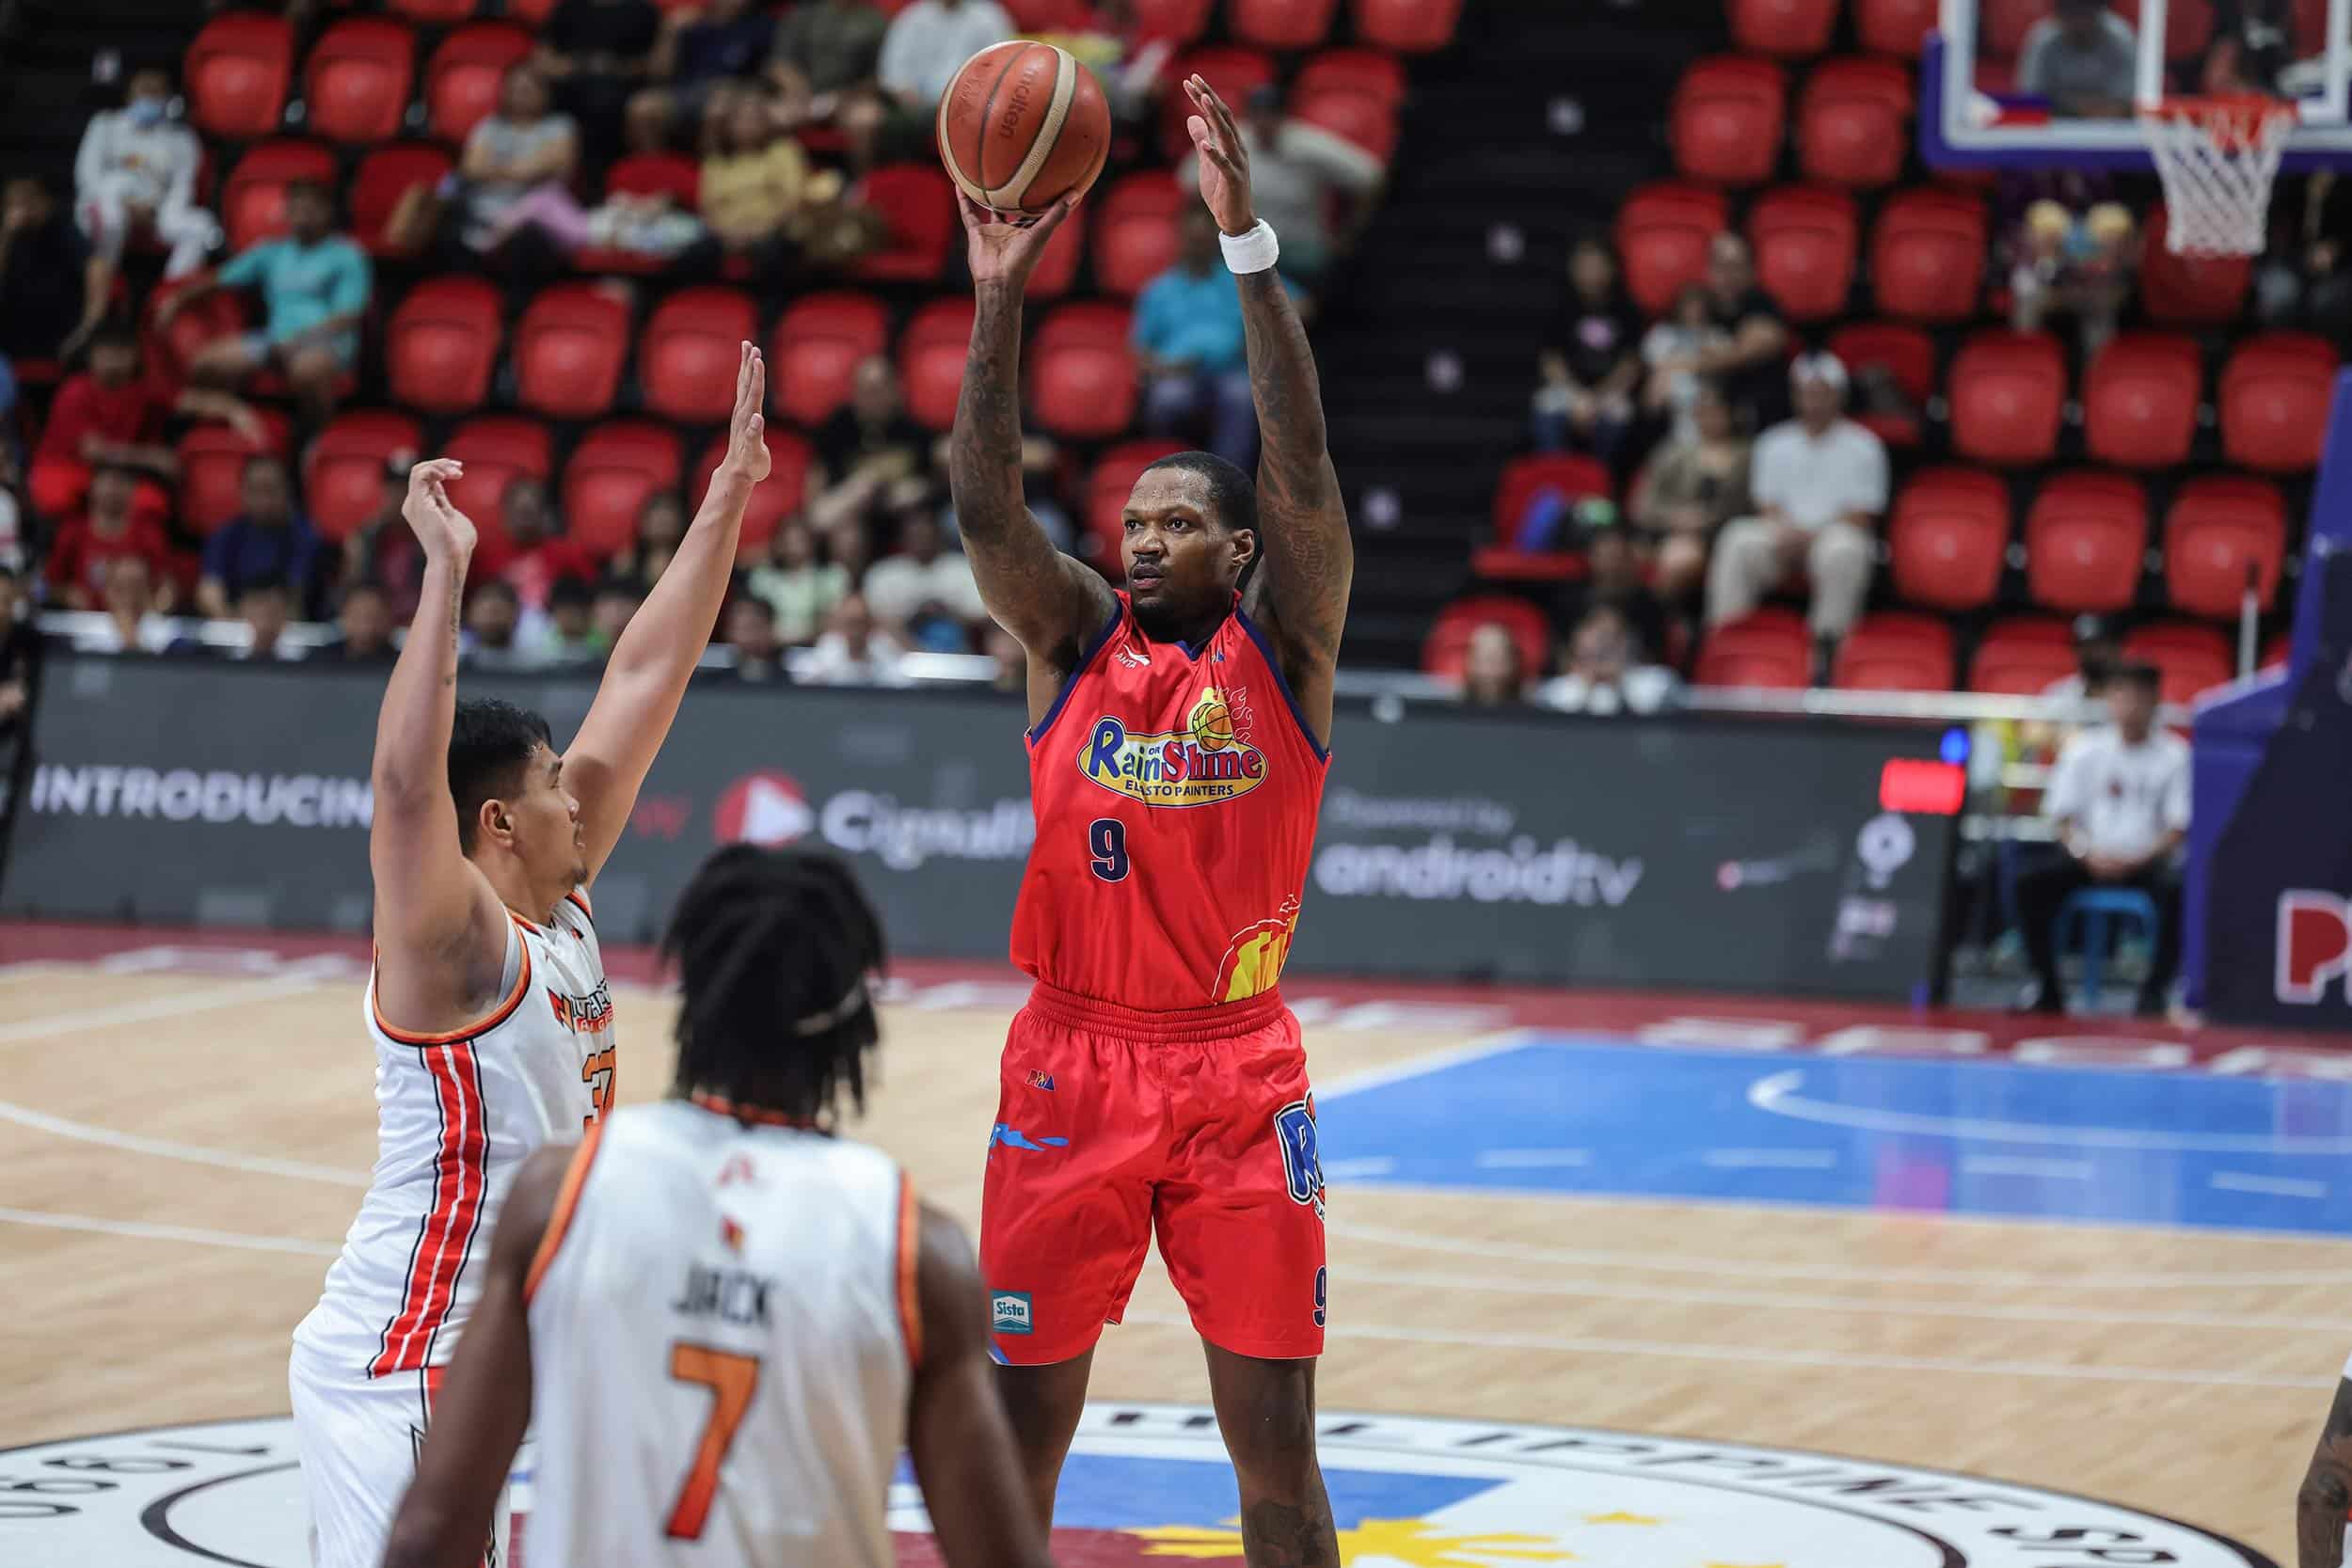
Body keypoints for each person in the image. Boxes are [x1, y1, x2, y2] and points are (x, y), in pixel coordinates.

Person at [947, 75, 1351, 1561]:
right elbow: (991, 513)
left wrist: (1246, 249)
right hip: (1068, 1057)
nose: (1140, 539)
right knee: (1011, 1446)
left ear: (1242, 553)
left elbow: (1302, 463)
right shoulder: (1071, 643)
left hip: (1239, 1072)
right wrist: (1001, 296)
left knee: (1281, 1466)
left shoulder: (1284, 651)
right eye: (1129, 521)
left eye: (1176, 522)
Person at [287, 345, 774, 1568]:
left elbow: (645, 674)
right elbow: (406, 783)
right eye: (556, 783)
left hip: (507, 1341)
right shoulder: (456, 943)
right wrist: (442, 577)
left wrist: (729, 493)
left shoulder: (560, 900)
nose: (584, 796)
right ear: (499, 822)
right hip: (405, 1360)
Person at [379, 844, 1054, 1568]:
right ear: (856, 1020)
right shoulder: (917, 1250)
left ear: (694, 998)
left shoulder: (558, 1197)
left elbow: (429, 1531)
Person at [2010, 662, 2186, 1017]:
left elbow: (2177, 828)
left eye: (2139, 695)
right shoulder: (2084, 750)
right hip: (2088, 859)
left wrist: (2140, 859)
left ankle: (2154, 995)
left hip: (2146, 862)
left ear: (2155, 700)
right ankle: (2047, 990)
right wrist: (2084, 853)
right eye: (2122, 694)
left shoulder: (2175, 754)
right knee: (2027, 881)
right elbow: (2061, 818)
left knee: (2181, 890)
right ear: (2109, 699)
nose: (2130, 704)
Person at [1705, 353, 1886, 678]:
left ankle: (1825, 654)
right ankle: (1724, 644)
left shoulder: (1864, 445)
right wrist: (1787, 532)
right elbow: (1767, 504)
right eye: (1806, 393)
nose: (1813, 402)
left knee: (1845, 549)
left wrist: (1811, 535)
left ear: (1839, 395)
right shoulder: (1773, 443)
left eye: (1821, 393)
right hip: (1782, 535)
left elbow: (1862, 513)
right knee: (1738, 538)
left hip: (1832, 535)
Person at [161, 181, 372, 426]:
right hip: (274, 340)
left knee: (306, 370)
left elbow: (348, 315)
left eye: (311, 208)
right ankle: (232, 425)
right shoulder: (272, 252)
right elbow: (220, 279)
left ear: (328, 212)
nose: (302, 215)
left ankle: (317, 435)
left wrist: (298, 340)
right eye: (296, 208)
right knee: (206, 363)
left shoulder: (347, 255)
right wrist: (177, 300)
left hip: (324, 343)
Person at [27, 323, 254, 525]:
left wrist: (236, 411)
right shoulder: (75, 391)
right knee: (56, 496)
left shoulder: (142, 389)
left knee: (150, 503)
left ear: (134, 356)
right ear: (92, 356)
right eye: (106, 353)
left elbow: (190, 401)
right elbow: (93, 452)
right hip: (69, 469)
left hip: (122, 478)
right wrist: (151, 457)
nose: (113, 361)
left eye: (121, 353)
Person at [65, 67, 219, 359]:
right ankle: (105, 281)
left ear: (167, 98)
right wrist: (123, 202)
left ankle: (169, 292)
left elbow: (182, 186)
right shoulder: (105, 125)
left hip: (155, 211)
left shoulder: (182, 138)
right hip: (107, 204)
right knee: (112, 211)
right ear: (129, 95)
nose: (148, 95)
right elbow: (88, 175)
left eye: (156, 90)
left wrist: (157, 211)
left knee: (202, 227)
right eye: (142, 89)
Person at [1176, 85, 1382, 291]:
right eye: (1258, 115)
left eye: (1270, 115)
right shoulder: (1230, 141)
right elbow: (1188, 181)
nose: (1264, 122)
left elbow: (1370, 176)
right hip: (1248, 253)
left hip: (1300, 257)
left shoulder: (1309, 144)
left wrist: (1349, 233)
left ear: (1284, 117)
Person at [1134, 208, 1259, 471]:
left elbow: (1296, 305)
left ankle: (1227, 478)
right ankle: (1171, 476)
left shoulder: (1236, 282)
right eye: (1193, 240)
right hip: (1177, 374)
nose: (1198, 247)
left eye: (1204, 241)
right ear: (1181, 240)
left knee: (1242, 396)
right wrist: (1167, 368)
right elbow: (1139, 352)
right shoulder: (1159, 290)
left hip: (1230, 371)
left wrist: (1255, 344)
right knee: (1168, 399)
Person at [1633, 378, 1749, 613]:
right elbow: (1642, 506)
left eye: (1715, 409)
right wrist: (1676, 518)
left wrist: (1705, 520)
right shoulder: (1672, 452)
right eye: (1701, 410)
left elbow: (1750, 505)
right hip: (1667, 530)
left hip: (1722, 535)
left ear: (1730, 412)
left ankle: (1653, 620)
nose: (1708, 416)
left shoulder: (1747, 455)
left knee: (1679, 557)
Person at [1531, 233, 1640, 463]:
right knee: (1544, 405)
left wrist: (1597, 400)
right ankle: (1556, 474)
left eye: (1597, 266)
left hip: (1610, 392)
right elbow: (1551, 362)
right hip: (1569, 389)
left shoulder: (1627, 309)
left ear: (1612, 269)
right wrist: (1576, 397)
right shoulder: (1560, 307)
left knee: (1621, 416)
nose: (1590, 273)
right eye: (1584, 266)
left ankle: (1600, 480)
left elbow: (1630, 367)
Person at [455, 65, 580, 255]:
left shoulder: (559, 126)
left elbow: (558, 166)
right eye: (513, 90)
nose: (520, 96)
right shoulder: (490, 126)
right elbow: (471, 168)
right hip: (484, 207)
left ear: (544, 93)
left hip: (537, 213)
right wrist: (525, 169)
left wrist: (495, 169)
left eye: (527, 90)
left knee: (527, 240)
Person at [628, 0, 778, 153]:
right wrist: (669, 32)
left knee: (716, 108)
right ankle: (655, 170)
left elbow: (769, 73)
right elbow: (658, 74)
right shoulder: (691, 22)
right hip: (686, 90)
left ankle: (712, 169)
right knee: (641, 108)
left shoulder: (760, 26)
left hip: (733, 90)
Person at [535, 0, 663, 166]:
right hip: (571, 84)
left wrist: (618, 68)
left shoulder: (644, 10)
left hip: (624, 86)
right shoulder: (567, 7)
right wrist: (572, 66)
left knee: (607, 103)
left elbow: (655, 64)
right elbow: (545, 55)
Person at [198, 453, 326, 619]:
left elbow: (296, 600)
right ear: (242, 492)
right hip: (235, 626)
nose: (264, 500)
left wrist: (264, 628)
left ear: (287, 490)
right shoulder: (226, 535)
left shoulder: (306, 537)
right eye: (255, 490)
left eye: (270, 490)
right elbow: (209, 592)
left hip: (287, 629)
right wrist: (230, 623)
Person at [1692, 233, 1789, 431]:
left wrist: (1678, 365)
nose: (1728, 274)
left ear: (1751, 271)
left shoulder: (1763, 304)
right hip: (1708, 414)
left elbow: (1741, 354)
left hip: (1760, 414)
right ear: (1708, 270)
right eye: (1721, 266)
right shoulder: (1699, 305)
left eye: (1736, 266)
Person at [43, 464, 174, 610]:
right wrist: (66, 594)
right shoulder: (73, 532)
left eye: (121, 482)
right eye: (107, 482)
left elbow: (164, 584)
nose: (113, 490)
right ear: (92, 486)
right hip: (82, 622)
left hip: (136, 620)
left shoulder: (148, 532)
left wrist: (160, 604)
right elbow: (49, 585)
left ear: (133, 489)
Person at [864, 510, 986, 650]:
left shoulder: (962, 567)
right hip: (899, 653)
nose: (921, 541)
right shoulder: (884, 573)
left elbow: (982, 616)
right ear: (903, 538)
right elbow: (875, 619)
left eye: (926, 535)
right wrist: (916, 616)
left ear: (938, 536)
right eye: (915, 536)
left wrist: (947, 613)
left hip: (959, 650)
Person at [1, 178, 88, 370]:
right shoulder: (7, 238)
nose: (24, 210)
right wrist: (7, 236)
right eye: (16, 204)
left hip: (60, 327)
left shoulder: (64, 229)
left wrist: (85, 329)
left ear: (45, 202)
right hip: (14, 328)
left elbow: (96, 268)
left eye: (29, 202)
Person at [1536, 604, 1681, 715]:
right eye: (1597, 634)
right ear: (1577, 642)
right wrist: (1587, 686)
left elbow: (1652, 706)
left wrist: (1618, 682)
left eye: (1615, 635)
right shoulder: (1553, 693)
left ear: (1631, 642)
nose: (1604, 642)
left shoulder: (1659, 682)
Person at [765, 0, 888, 129]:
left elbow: (879, 76)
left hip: (851, 99)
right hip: (800, 96)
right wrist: (801, 95)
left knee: (867, 118)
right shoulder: (803, 15)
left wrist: (844, 98)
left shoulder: (875, 21)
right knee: (771, 115)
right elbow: (781, 64)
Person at [1638, 283, 1728, 449]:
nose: (1694, 311)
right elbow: (1657, 370)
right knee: (1657, 386)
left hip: (1704, 397)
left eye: (1699, 306)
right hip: (1670, 400)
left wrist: (1692, 360)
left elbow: (1719, 365)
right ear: (1678, 307)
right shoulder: (1662, 334)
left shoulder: (1717, 335)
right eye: (1689, 305)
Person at [2017, 0, 2139, 119]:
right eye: (2072, 12)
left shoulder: (2121, 38)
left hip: (2112, 126)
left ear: (2100, 12)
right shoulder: (2042, 39)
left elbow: (2127, 101)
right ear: (2060, 14)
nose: (2079, 21)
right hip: (2055, 125)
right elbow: (2029, 100)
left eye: (2085, 12)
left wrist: (2076, 106)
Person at [744, 515, 849, 643]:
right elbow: (755, 617)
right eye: (789, 541)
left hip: (817, 646)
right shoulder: (763, 576)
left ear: (813, 541)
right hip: (770, 646)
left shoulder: (831, 575)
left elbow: (836, 618)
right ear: (778, 543)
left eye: (800, 539)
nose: (794, 546)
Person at [68, 553, 175, 654]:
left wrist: (132, 641)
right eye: (120, 588)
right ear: (107, 592)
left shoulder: (168, 634)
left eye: (135, 587)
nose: (128, 597)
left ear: (147, 591)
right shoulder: (89, 635)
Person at [799, 589, 909, 685]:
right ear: (841, 626)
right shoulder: (829, 646)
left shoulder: (882, 645)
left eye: (861, 623)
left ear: (870, 625)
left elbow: (903, 680)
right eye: (850, 624)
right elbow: (804, 677)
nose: (856, 631)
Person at [229, 575, 303, 661]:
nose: (265, 624)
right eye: (258, 615)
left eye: (273, 614)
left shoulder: (302, 661)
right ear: (243, 612)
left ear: (286, 613)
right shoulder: (229, 659)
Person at [720, 591, 789, 680]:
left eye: (751, 627)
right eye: (737, 628)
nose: (744, 637)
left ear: (770, 628)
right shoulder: (715, 682)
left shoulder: (795, 678)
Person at [465, 578, 531, 669]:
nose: (491, 619)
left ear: (516, 614)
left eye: (498, 611)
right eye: (485, 611)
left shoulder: (533, 666)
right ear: (469, 614)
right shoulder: (452, 665)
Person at [325, 580, 397, 662]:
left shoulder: (402, 663)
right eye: (357, 616)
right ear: (343, 615)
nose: (364, 625)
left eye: (373, 616)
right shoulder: (321, 660)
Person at [1457, 622, 1525, 706]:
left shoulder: (1536, 712)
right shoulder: (1448, 709)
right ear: (1468, 661)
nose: (1490, 669)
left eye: (1499, 659)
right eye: (1483, 659)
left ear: (1513, 662)